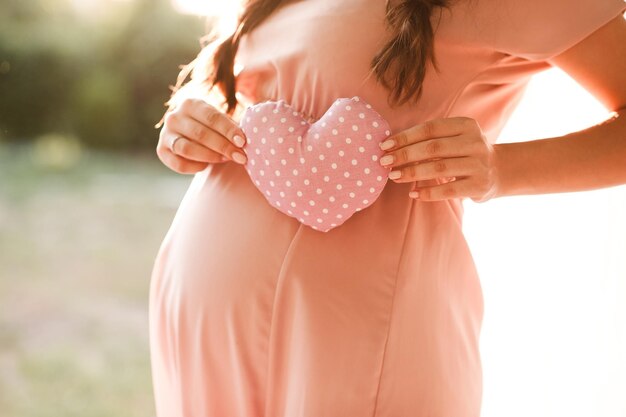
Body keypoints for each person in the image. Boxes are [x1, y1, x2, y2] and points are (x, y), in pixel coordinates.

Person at [149, 0, 626, 415]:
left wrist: (502, 168)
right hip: (205, 337)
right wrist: (193, 121)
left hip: (352, 342)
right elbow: (270, 100)